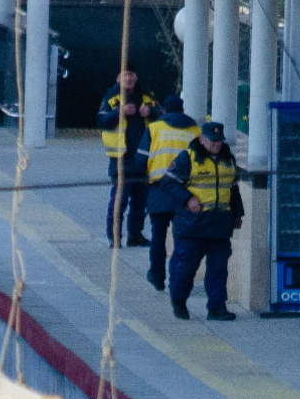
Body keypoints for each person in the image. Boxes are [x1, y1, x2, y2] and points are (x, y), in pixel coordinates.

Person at [164, 119, 245, 321]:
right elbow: (168, 183)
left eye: (219, 140)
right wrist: (187, 199)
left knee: (218, 268)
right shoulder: (187, 158)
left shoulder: (228, 159)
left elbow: (233, 190)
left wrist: (237, 214)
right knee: (187, 267)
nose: (216, 144)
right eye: (212, 140)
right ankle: (179, 301)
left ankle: (217, 308)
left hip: (220, 223)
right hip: (194, 224)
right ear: (201, 139)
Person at [140, 100, 195, 290]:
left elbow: (141, 159)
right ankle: (176, 280)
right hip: (185, 193)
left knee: (158, 236)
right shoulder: (195, 130)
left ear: (163, 110)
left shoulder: (154, 128)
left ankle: (157, 276)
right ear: (183, 110)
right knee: (181, 238)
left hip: (158, 190)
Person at [96, 70, 151, 247]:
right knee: (119, 202)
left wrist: (151, 111)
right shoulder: (111, 98)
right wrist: (119, 112)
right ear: (118, 78)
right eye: (125, 75)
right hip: (121, 159)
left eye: (132, 74)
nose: (129, 78)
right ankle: (114, 237)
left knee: (140, 203)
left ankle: (135, 235)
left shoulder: (146, 97)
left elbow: (161, 115)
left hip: (143, 159)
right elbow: (101, 121)